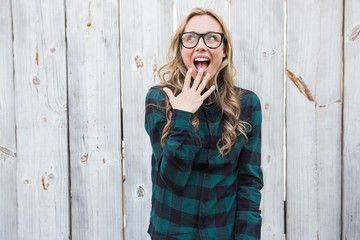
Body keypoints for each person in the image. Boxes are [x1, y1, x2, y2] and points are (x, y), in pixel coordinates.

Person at [144, 7, 263, 240]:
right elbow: (172, 179)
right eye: (190, 38)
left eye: (212, 38)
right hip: (170, 233)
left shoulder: (247, 104)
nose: (200, 45)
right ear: (181, 50)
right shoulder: (159, 99)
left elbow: (249, 184)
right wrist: (183, 114)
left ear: (225, 50)